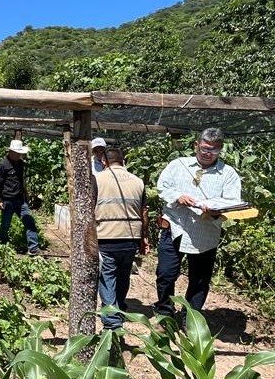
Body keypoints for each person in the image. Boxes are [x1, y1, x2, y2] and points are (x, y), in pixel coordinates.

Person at [154, 127, 241, 326]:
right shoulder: (178, 165)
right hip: (175, 228)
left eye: (214, 150)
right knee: (165, 274)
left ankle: (190, 318)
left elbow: (232, 201)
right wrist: (178, 197)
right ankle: (165, 313)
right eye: (204, 148)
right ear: (196, 146)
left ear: (220, 150)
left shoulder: (228, 174)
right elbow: (162, 186)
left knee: (199, 280)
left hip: (205, 232)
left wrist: (216, 210)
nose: (208, 153)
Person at [94, 147, 149, 330]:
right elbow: (144, 213)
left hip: (106, 235)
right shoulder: (138, 181)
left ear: (104, 162)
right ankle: (118, 308)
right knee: (123, 274)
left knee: (107, 275)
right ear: (123, 160)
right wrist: (144, 238)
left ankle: (112, 322)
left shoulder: (97, 179)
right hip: (131, 237)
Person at [0, 139, 40, 255]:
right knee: (5, 224)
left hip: (20, 200)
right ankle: (1, 246)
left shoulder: (20, 164)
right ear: (11, 152)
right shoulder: (3, 165)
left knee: (29, 221)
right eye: (18, 153)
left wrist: (26, 195)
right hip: (7, 200)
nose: (20, 155)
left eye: (20, 153)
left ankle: (33, 248)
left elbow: (21, 181)